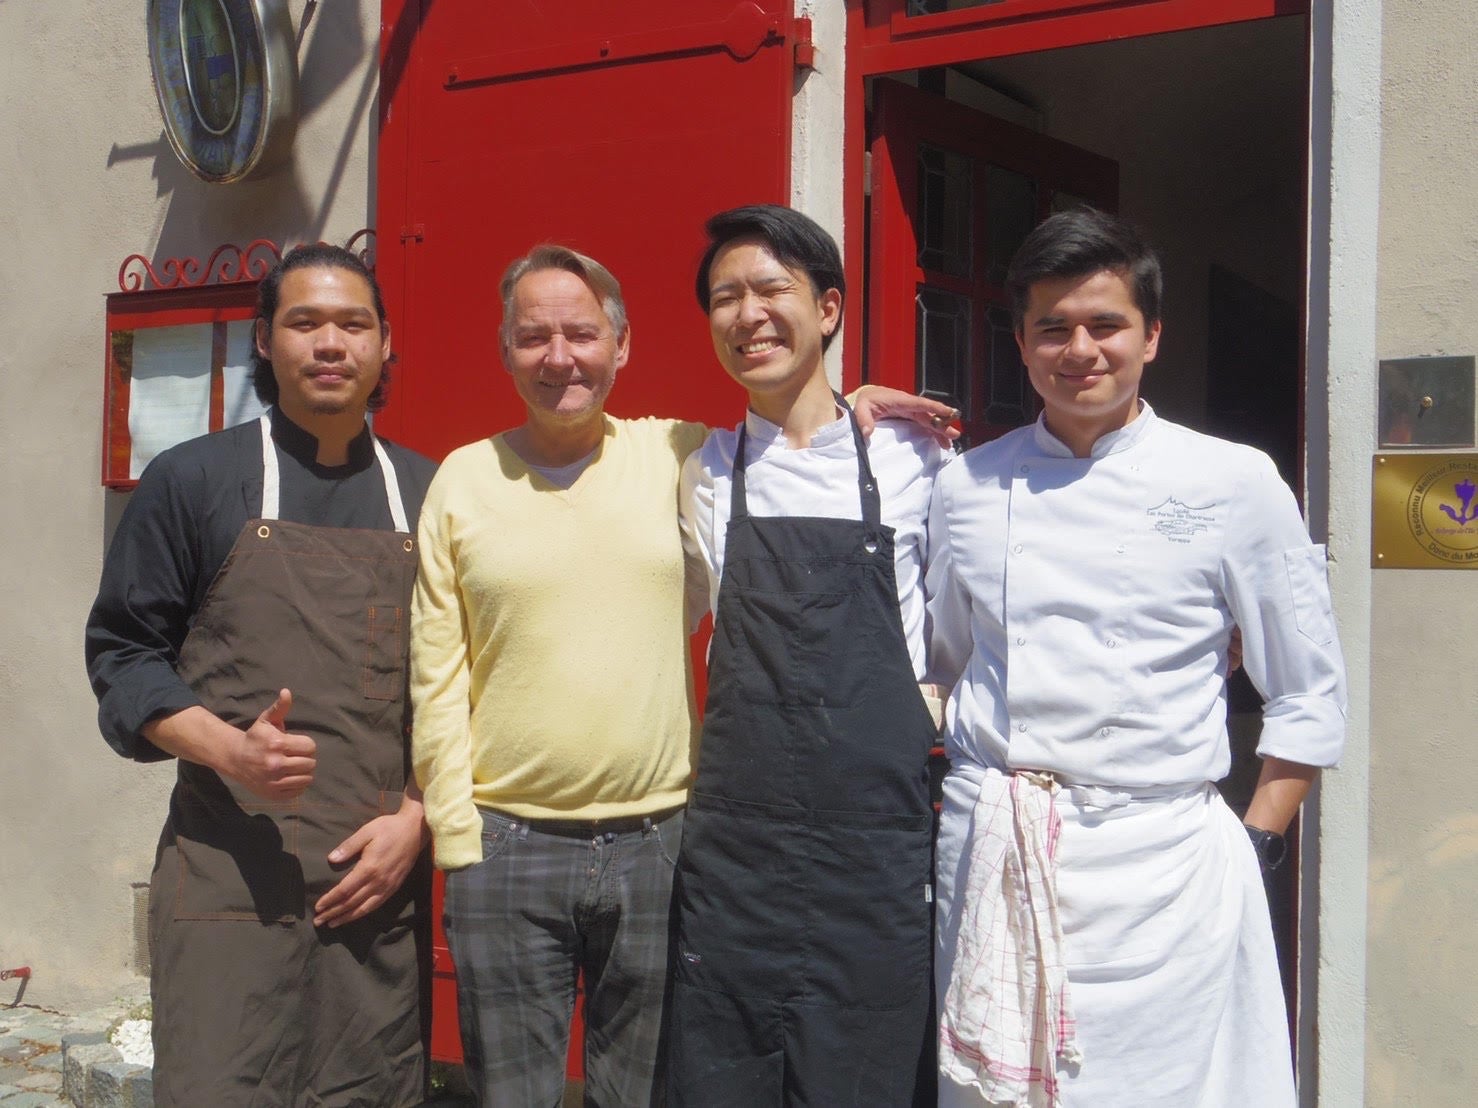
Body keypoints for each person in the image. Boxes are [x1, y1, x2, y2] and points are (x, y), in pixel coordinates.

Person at [411, 243, 955, 1106]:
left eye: (582, 334)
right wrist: (454, 834)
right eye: (534, 337)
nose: (560, 357)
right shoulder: (470, 477)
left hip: (662, 841)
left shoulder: (678, 454)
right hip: (510, 842)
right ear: (505, 350)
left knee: (649, 1092)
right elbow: (436, 669)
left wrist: (852, 403)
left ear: (621, 346)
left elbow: (798, 434)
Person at [926, 208, 1347, 1107]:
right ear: (1021, 343)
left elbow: (1309, 692)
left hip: (1166, 873)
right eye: (1052, 328)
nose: (1080, 350)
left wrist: (1256, 840)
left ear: (1151, 336)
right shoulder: (966, 486)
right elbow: (947, 663)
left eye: (1105, 324)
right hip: (998, 859)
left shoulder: (1232, 481)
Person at [85, 244, 437, 1107]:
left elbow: (465, 690)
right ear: (264, 340)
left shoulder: (432, 496)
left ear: (385, 344)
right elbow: (124, 655)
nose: (331, 343)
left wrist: (418, 820)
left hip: (373, 894)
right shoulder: (193, 482)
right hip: (227, 881)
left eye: (353, 324)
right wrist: (228, 750)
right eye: (304, 322)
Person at [667, 205, 950, 1106]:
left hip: (875, 850)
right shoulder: (700, 468)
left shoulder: (916, 461)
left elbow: (967, 629)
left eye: (770, 290)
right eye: (725, 298)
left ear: (828, 308)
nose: (747, 314)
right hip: (738, 853)